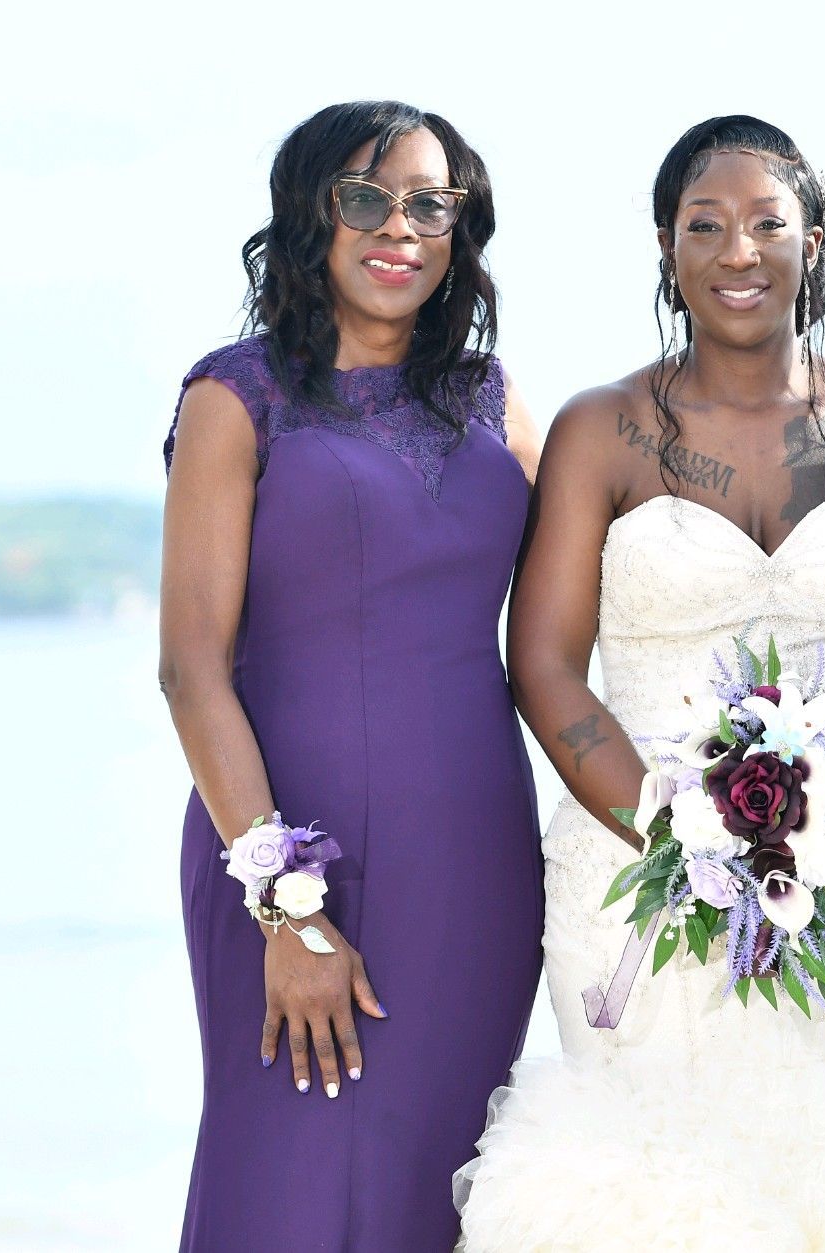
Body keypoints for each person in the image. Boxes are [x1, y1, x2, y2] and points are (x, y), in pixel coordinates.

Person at [454, 115, 825, 1251]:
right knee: (651, 1182)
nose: (736, 251)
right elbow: (546, 663)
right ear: (666, 248)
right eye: (702, 225)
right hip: (630, 870)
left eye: (767, 221)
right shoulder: (599, 428)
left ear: (817, 238)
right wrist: (677, 835)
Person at [158, 100, 543, 1250]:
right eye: (364, 198)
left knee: (441, 1187)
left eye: (430, 203)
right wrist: (287, 905)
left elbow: (591, 614)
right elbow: (189, 668)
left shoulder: (490, 397)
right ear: (309, 215)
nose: (399, 228)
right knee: (285, 1185)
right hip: (286, 859)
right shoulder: (237, 397)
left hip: (475, 866)